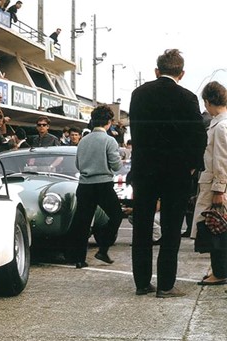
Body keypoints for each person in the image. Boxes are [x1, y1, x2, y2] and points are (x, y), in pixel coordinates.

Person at [128, 49, 207, 297]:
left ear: (156, 70)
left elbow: (136, 133)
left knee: (142, 228)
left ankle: (142, 283)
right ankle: (165, 285)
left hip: (144, 171)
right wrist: (192, 165)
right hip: (176, 173)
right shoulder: (187, 98)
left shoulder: (139, 94)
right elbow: (199, 136)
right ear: (181, 73)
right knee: (171, 230)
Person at [67, 105, 123, 268]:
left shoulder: (83, 140)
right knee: (116, 215)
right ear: (108, 122)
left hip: (84, 185)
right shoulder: (109, 140)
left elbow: (78, 164)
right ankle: (103, 249)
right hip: (103, 185)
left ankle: (79, 259)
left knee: (82, 222)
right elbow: (116, 166)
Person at [191, 81, 227, 286]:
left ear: (207, 101)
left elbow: (221, 159)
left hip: (215, 185)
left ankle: (220, 272)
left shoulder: (221, 126)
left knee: (216, 228)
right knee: (218, 227)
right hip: (216, 183)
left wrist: (218, 189)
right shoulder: (221, 123)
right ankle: (219, 270)